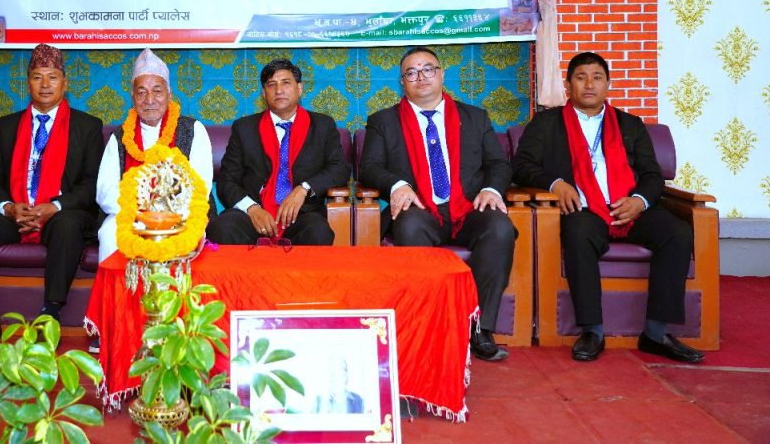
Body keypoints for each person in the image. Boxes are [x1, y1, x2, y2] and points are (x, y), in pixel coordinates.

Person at [512, 51, 703, 363]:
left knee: (677, 233)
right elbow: (522, 166)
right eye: (581, 77)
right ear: (568, 85)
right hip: (584, 209)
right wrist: (555, 184)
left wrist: (639, 200)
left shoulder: (631, 124)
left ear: (608, 84)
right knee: (578, 233)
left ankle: (656, 332)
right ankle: (592, 330)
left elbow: (652, 175)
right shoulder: (546, 123)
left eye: (597, 77)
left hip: (629, 206)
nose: (589, 84)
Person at [359, 46, 516, 361]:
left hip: (469, 207)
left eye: (428, 69)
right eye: (411, 72)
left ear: (441, 74)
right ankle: (426, 324)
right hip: (420, 208)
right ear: (402, 82)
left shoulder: (475, 118)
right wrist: (398, 185)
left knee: (500, 227)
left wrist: (491, 189)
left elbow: (499, 163)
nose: (421, 77)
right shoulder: (384, 121)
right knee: (409, 225)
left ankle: (479, 328)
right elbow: (369, 167)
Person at [0, 44, 103, 351]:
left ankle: (49, 316)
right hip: (15, 213)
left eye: (52, 77)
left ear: (65, 83)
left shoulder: (87, 126)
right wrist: (8, 208)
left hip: (60, 214)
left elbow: (91, 184)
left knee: (68, 224)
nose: (45, 85)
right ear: (28, 82)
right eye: (37, 77)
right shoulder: (7, 125)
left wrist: (54, 207)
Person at [208, 59, 349, 246]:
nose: (279, 90)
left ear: (299, 88)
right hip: (254, 215)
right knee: (223, 228)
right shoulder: (244, 128)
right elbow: (227, 180)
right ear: (263, 93)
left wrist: (303, 189)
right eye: (271, 85)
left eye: (286, 83)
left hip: (302, 214)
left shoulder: (322, 125)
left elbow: (340, 169)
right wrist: (251, 208)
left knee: (318, 231)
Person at [96, 48, 214, 263]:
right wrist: (142, 213)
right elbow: (105, 191)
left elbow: (201, 185)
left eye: (157, 91)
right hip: (131, 216)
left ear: (169, 94)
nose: (149, 99)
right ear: (133, 98)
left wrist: (165, 214)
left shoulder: (192, 129)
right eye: (141, 92)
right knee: (109, 233)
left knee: (184, 235)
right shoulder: (120, 137)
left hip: (182, 215)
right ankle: (118, 287)